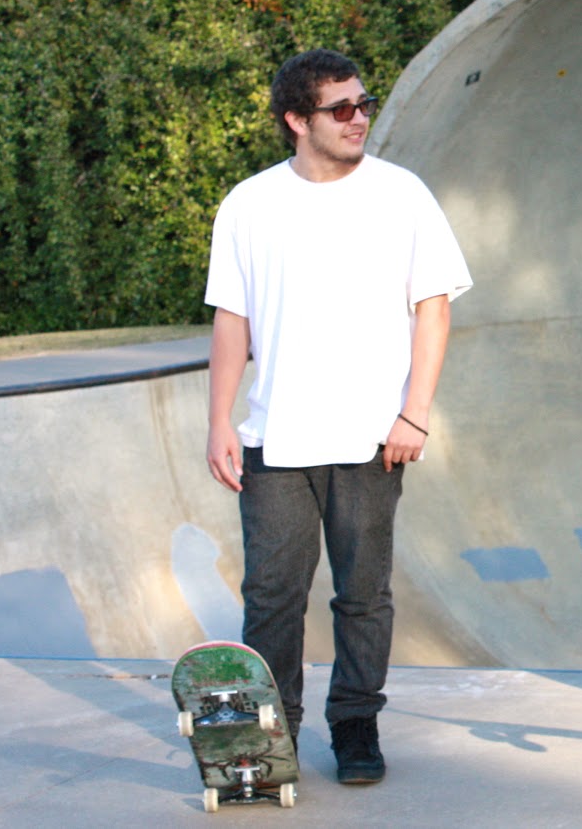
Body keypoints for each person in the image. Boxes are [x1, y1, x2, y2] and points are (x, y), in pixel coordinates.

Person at [204, 48, 472, 785]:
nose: (359, 118)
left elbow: (434, 307)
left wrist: (414, 413)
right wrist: (219, 419)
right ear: (297, 120)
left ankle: (355, 723)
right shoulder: (249, 204)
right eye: (341, 108)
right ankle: (270, 735)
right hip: (275, 438)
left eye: (363, 103)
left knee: (362, 594)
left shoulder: (401, 194)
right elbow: (233, 319)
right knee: (272, 598)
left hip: (369, 439)